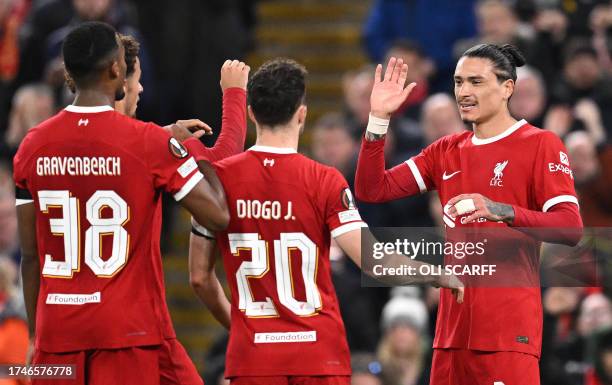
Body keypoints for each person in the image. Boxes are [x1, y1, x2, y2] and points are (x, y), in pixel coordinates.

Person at [188, 58, 463, 385]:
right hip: (317, 352)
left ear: (251, 114)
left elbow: (199, 279)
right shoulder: (324, 180)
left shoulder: (218, 181)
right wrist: (435, 273)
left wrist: (239, 326)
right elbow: (374, 262)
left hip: (253, 354)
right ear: (302, 114)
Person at [13, 21, 234, 385]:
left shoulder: (31, 147)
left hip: (56, 335)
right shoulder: (149, 145)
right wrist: (184, 150)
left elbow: (31, 255)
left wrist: (37, 337)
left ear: (69, 72)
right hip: (126, 335)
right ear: (117, 69)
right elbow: (219, 215)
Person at [355, 45, 583, 384]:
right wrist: (379, 120)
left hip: (507, 335)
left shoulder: (540, 144)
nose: (463, 92)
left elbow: (570, 228)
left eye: (475, 82)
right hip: (450, 336)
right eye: (459, 82)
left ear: (507, 88)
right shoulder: (445, 151)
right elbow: (371, 189)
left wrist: (502, 210)